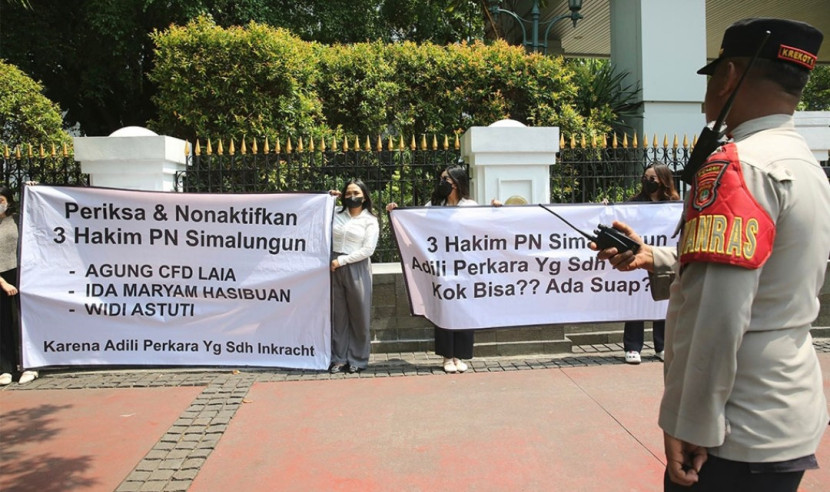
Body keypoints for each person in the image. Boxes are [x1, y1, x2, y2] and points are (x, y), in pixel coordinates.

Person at [594, 18, 829, 491]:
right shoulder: (803, 161)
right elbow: (763, 269)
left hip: (732, 427)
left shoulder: (737, 166)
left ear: (728, 76)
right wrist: (655, 257)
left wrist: (690, 423)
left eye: (712, 75)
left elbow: (717, 313)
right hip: (783, 411)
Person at [386, 165, 477, 373]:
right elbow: (416, 224)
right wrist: (396, 212)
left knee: (464, 308)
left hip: (465, 265)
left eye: (447, 179)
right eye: (442, 179)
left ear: (457, 182)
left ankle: (460, 355)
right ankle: (447, 356)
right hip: (441, 265)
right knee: (444, 308)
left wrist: (497, 208)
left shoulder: (470, 206)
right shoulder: (434, 205)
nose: (443, 183)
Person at [622, 163, 680, 364]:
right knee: (636, 302)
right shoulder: (634, 204)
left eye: (653, 178)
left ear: (664, 180)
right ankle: (632, 347)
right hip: (639, 262)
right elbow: (619, 218)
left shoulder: (675, 206)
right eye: (645, 177)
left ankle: (661, 346)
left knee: (663, 300)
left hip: (661, 260)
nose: (648, 182)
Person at [328, 179, 379, 374]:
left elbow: (368, 249)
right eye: (348, 193)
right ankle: (338, 358)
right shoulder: (335, 214)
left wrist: (342, 261)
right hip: (333, 267)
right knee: (337, 315)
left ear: (364, 196)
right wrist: (328, 199)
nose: (352, 197)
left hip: (356, 267)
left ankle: (358, 358)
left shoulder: (370, 220)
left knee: (359, 314)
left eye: (356, 193)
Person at [0, 186, 38, 385]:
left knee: (23, 322)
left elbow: (37, 213)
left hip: (22, 274)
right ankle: (6, 369)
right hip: (1, 278)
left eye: (1, 199)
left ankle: (29, 366)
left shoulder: (17, 220)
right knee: (3, 325)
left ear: (8, 200)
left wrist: (33, 189)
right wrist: (3, 282)